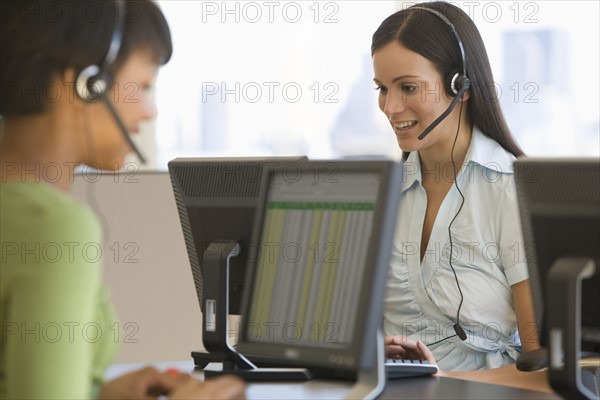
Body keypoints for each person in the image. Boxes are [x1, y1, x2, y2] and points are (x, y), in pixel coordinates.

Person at [0, 1, 245, 398]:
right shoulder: (56, 228)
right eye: (145, 85)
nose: (150, 112)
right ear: (87, 82)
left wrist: (99, 392)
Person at [371, 1, 543, 377]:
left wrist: (442, 380)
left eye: (408, 87)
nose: (391, 106)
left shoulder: (510, 190)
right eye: (383, 88)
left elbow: (541, 369)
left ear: (460, 86)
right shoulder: (384, 195)